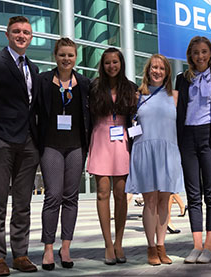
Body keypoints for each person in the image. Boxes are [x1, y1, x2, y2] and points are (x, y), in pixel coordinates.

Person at [0, 16, 39, 275]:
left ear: (31, 37)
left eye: (26, 32)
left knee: (23, 202)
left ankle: (20, 254)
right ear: (7, 34)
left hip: (28, 143)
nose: (21, 35)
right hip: (2, 140)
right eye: (16, 31)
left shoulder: (33, 68)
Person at [125, 54, 184, 266]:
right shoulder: (137, 95)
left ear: (167, 72)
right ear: (148, 70)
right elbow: (127, 123)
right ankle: (150, 246)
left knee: (164, 200)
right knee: (149, 200)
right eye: (153, 67)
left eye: (161, 68)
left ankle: (161, 245)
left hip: (168, 151)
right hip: (145, 150)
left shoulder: (175, 96)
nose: (157, 71)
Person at [38, 38, 91, 271]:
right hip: (51, 146)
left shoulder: (85, 83)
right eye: (62, 55)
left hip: (76, 147)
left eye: (70, 55)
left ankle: (66, 247)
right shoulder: (42, 81)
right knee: (53, 196)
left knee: (71, 197)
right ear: (55, 56)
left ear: (75, 57)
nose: (66, 59)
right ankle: (48, 248)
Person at [176, 36, 211, 264]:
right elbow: (175, 109)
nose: (200, 56)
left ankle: (209, 246)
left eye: (204, 51)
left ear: (210, 53)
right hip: (187, 137)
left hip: (210, 135)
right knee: (193, 195)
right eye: (195, 52)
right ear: (190, 56)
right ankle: (196, 246)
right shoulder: (181, 79)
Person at [87, 48, 137, 265]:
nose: (111, 66)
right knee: (102, 193)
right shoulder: (94, 86)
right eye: (107, 62)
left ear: (121, 63)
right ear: (102, 65)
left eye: (115, 62)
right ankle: (108, 244)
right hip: (100, 138)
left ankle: (119, 242)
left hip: (122, 141)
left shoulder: (131, 88)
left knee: (120, 194)